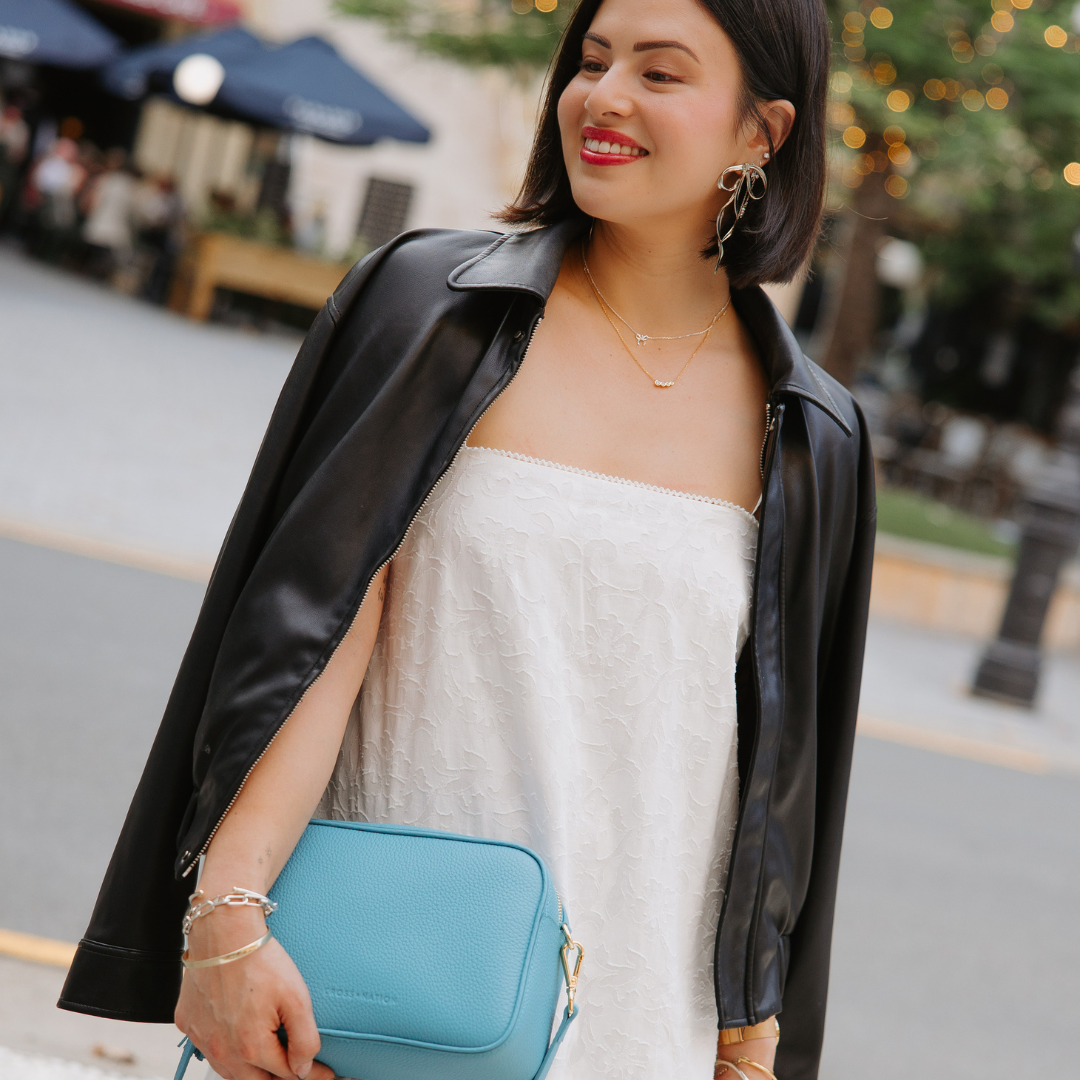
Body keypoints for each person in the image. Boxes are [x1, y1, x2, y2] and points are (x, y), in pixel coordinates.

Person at [58, 1, 874, 1078]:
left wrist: (749, 1043)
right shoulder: (428, 310)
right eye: (592, 59)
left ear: (760, 132)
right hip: (375, 995)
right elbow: (315, 638)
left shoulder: (812, 430)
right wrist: (227, 917)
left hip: (637, 1020)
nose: (604, 95)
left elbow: (770, 782)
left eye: (661, 74)